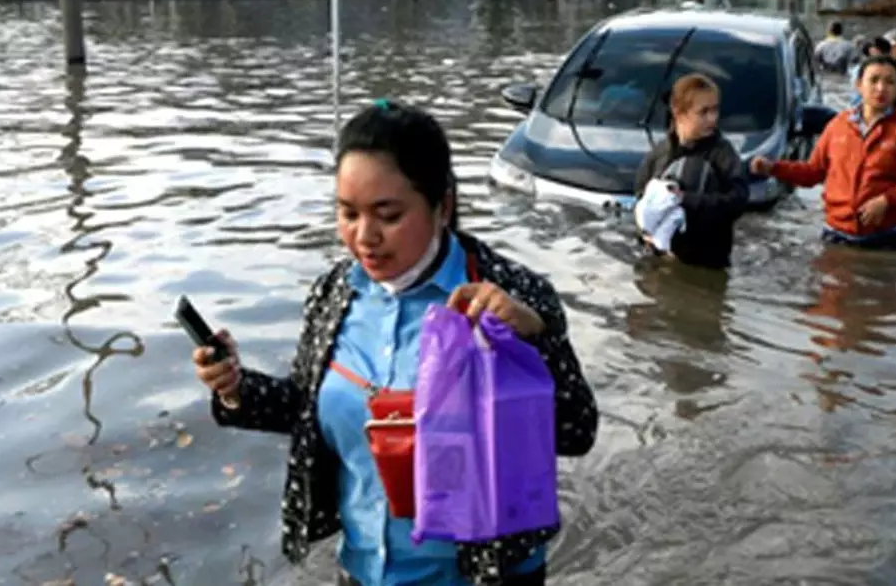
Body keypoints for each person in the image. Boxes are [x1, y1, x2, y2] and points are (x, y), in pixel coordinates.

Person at [192, 100, 599, 586]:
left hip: (485, 575)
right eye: (347, 213)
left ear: (442, 204)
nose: (364, 238)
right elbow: (306, 408)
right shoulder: (332, 295)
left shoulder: (511, 297)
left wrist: (533, 341)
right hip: (363, 570)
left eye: (388, 215)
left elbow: (576, 432)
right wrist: (235, 388)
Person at [749, 56, 896, 250]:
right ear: (858, 85)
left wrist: (887, 200)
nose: (881, 88)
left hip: (887, 238)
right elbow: (813, 172)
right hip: (837, 234)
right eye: (873, 80)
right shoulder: (837, 125)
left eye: (889, 82)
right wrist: (773, 168)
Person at [633, 73, 750, 269]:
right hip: (659, 263)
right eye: (703, 112)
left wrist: (686, 199)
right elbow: (640, 198)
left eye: (715, 110)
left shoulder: (723, 154)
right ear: (678, 112)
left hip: (707, 267)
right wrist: (644, 233)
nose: (712, 118)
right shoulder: (660, 153)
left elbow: (738, 200)